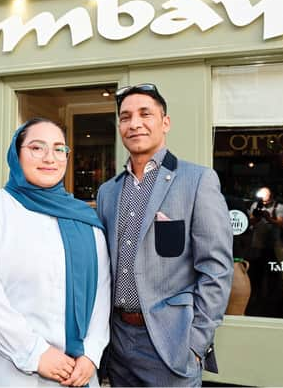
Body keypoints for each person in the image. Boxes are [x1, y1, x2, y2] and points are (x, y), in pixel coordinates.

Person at [0, 118, 111, 386]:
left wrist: (91, 354)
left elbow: (101, 292)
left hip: (73, 373)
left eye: (59, 149)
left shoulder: (85, 219)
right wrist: (34, 353)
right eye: (37, 148)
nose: (50, 158)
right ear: (16, 154)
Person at [96, 83, 233, 386]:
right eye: (125, 117)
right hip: (118, 342)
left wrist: (195, 345)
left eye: (145, 114)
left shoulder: (197, 180)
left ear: (165, 122)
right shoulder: (108, 192)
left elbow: (217, 269)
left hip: (171, 344)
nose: (135, 123)